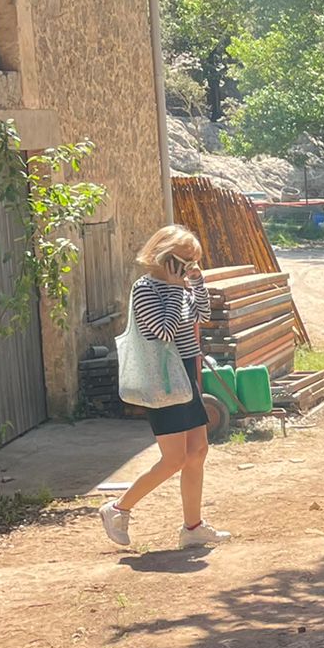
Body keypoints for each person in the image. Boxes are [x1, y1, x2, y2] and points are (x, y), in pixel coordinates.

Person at [99, 225, 231, 550]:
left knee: (198, 452)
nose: (190, 266)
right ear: (165, 256)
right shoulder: (145, 289)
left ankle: (193, 527)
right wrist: (174, 288)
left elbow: (201, 314)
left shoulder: (181, 285)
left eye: (194, 260)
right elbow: (164, 333)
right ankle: (117, 509)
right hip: (163, 380)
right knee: (173, 459)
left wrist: (196, 283)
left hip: (184, 374)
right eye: (185, 260)